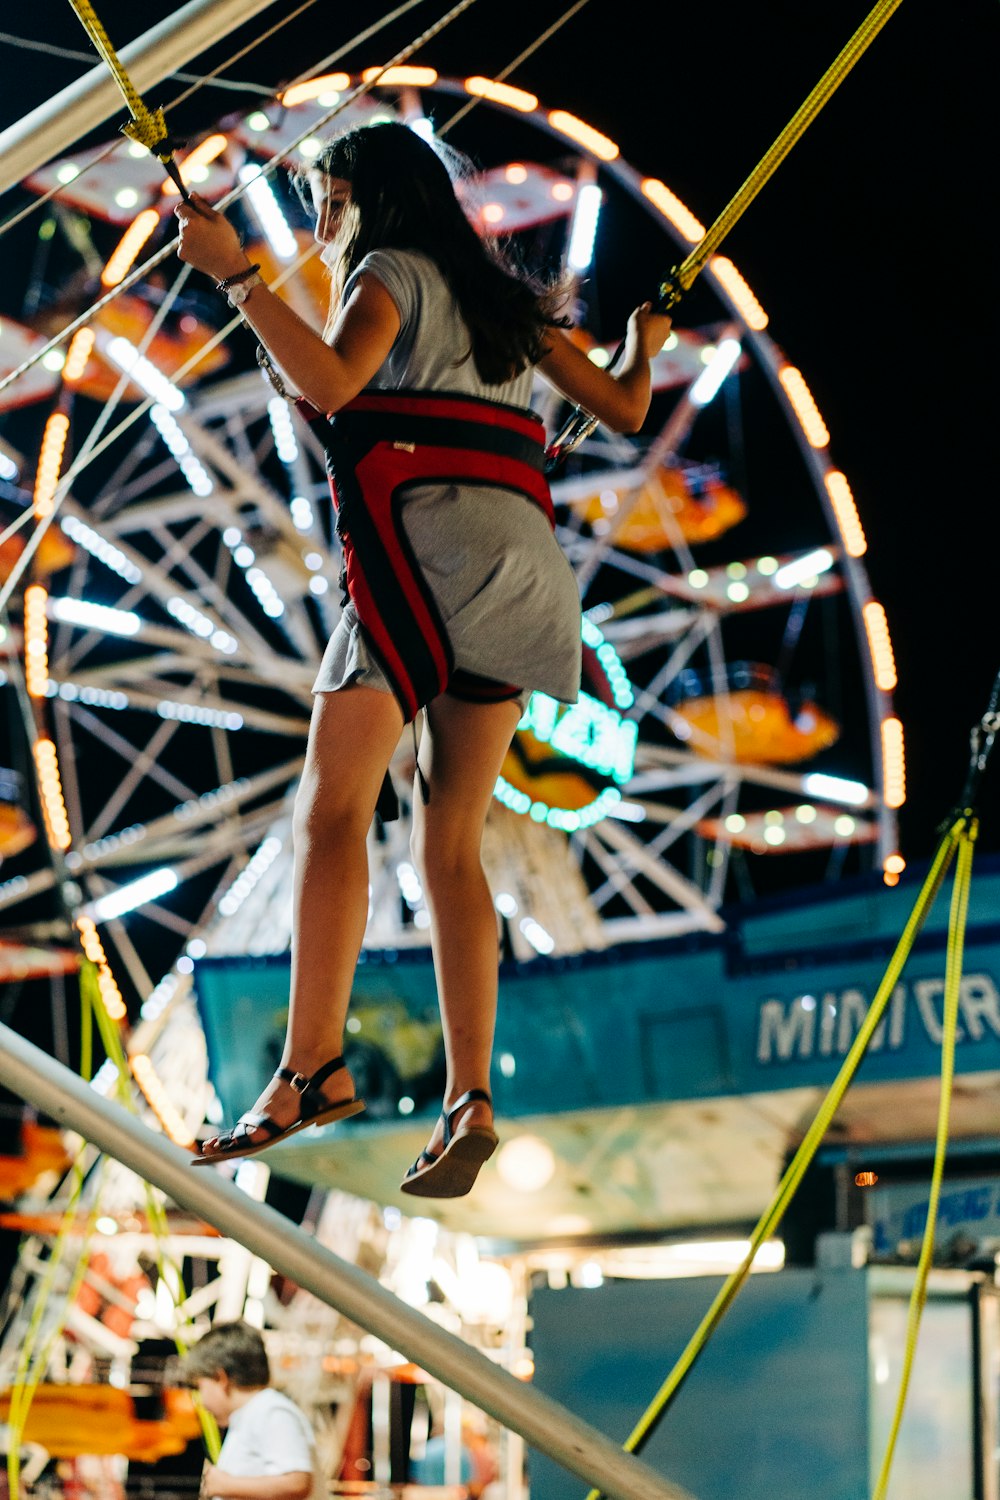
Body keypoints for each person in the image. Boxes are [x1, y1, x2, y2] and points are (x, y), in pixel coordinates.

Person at [174, 119, 671, 1196]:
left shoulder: (386, 270)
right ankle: (469, 1094)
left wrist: (238, 278)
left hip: (420, 556)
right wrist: (643, 342)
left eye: (324, 194)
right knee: (452, 846)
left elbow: (337, 384)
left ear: (360, 195)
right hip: (525, 586)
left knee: (331, 812)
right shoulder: (504, 304)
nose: (317, 216)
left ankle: (309, 1068)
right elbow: (627, 406)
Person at [179, 1320, 323, 1500]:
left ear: (220, 1378)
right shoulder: (251, 1415)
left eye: (199, 1386)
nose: (200, 1399)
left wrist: (225, 1485)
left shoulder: (271, 1411)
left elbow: (297, 1482)